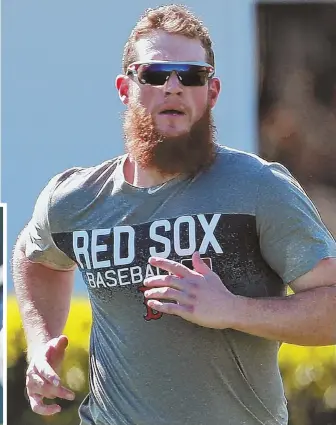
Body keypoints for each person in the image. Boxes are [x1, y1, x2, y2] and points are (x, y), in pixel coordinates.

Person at [12, 4, 336, 425]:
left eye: (191, 76)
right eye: (153, 74)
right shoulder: (76, 198)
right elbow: (33, 254)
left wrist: (232, 309)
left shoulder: (259, 187)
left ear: (212, 91)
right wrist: (41, 343)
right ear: (125, 88)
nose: (173, 86)